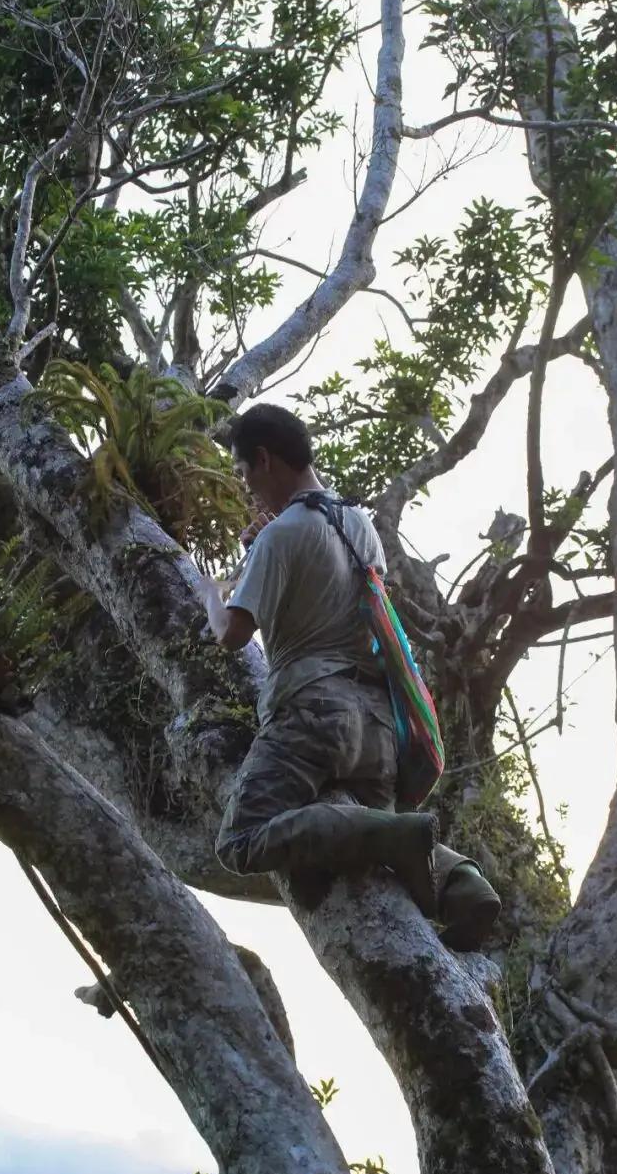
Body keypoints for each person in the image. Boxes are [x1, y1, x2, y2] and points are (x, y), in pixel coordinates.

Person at [197, 402, 501, 947]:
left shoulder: (281, 536)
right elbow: (326, 589)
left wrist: (208, 595)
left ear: (264, 460)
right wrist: (259, 547)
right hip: (377, 728)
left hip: (313, 714)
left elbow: (232, 634)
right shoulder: (360, 526)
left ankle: (405, 834)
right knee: (372, 850)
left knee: (240, 839)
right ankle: (461, 881)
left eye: (245, 474)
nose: (247, 489)